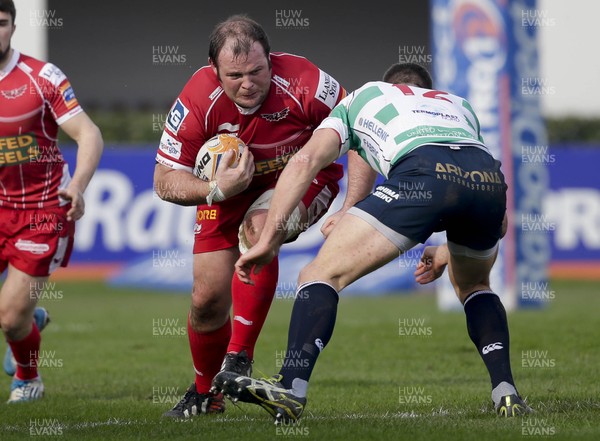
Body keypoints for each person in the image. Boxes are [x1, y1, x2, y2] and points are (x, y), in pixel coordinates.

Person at [227, 62, 532, 422]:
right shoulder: (458, 105)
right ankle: (506, 392)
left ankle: (291, 387)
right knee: (476, 285)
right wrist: (449, 249)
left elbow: (306, 160)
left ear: (391, 86)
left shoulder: (366, 95)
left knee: (320, 275)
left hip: (421, 172)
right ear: (425, 89)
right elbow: (495, 221)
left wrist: (267, 240)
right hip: (487, 182)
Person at [154, 15, 369, 418]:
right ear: (213, 70)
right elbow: (164, 180)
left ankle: (238, 358)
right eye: (235, 75)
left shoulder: (307, 81)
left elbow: (361, 132)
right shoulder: (197, 99)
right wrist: (215, 189)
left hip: (303, 178)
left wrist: (350, 206)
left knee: (259, 229)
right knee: (205, 301)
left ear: (271, 60)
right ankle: (207, 394)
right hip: (227, 192)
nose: (248, 83)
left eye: (257, 71)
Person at [0, 0, 103, 402]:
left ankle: (28, 377)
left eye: (1, 23)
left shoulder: (42, 77)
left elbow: (89, 134)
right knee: (15, 315)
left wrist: (77, 185)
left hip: (42, 210)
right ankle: (28, 319)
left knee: (10, 316)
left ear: (12, 26)